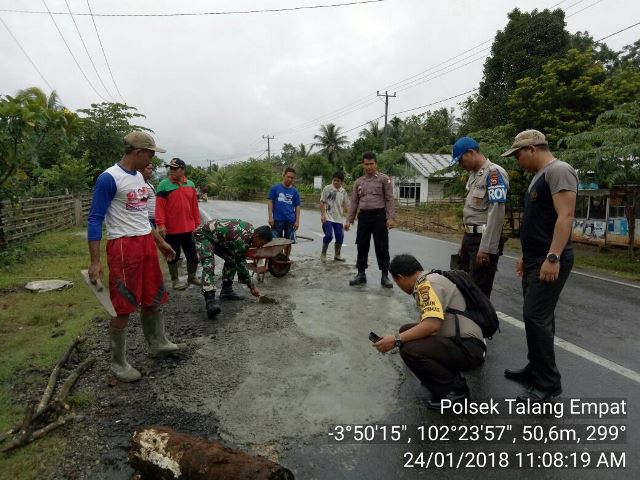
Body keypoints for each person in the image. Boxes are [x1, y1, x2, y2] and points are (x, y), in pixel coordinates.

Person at [87, 131, 183, 383]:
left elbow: (141, 216)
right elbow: (95, 219)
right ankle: (118, 363)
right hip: (123, 247)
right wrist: (95, 261)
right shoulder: (109, 178)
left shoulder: (139, 176)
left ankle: (157, 342)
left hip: (145, 243)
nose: (153, 159)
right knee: (123, 305)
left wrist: (161, 243)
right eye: (150, 153)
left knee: (153, 295)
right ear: (138, 152)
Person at [501, 130, 579, 403]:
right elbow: (539, 220)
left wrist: (553, 257)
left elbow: (565, 217)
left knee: (535, 317)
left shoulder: (560, 170)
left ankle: (548, 383)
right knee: (537, 318)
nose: (517, 161)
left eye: (518, 154)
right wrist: (527, 254)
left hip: (550, 258)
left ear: (532, 149)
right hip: (535, 257)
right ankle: (536, 368)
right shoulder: (540, 175)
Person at [373, 254, 486, 409]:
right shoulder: (431, 278)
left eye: (396, 282)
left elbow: (432, 325)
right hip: (464, 342)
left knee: (409, 349)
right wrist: (400, 336)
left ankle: (455, 391)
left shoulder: (426, 286)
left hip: (468, 348)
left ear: (400, 277)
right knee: (406, 331)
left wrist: (396, 340)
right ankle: (438, 377)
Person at [451, 136, 509, 298]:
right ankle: (468, 321)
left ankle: (483, 323)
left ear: (470, 153)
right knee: (464, 285)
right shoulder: (474, 175)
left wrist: (486, 248)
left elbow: (496, 212)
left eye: (461, 160)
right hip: (470, 236)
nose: (460, 165)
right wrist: (464, 243)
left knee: (478, 292)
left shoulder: (494, 173)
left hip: (483, 239)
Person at [194, 219, 273, 318]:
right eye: (262, 243)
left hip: (217, 239)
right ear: (257, 236)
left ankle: (226, 291)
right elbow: (241, 265)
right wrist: (252, 287)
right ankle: (210, 301)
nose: (261, 246)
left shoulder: (251, 232)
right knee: (208, 264)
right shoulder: (241, 239)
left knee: (231, 259)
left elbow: (238, 258)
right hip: (203, 235)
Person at [345, 152, 397, 288]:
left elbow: (389, 199)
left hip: (379, 217)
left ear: (376, 164)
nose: (368, 167)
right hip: (363, 217)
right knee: (362, 245)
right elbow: (354, 202)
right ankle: (361, 274)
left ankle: (385, 275)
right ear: (363, 165)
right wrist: (349, 220)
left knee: (382, 246)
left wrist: (391, 218)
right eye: (366, 164)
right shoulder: (358, 182)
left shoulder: (384, 179)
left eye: (371, 164)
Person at [155, 158, 201, 290]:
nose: (171, 171)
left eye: (175, 168)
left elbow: (194, 206)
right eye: (170, 168)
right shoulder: (163, 185)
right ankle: (175, 280)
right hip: (171, 230)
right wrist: (161, 225)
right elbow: (159, 207)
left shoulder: (191, 184)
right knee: (173, 255)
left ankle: (192, 277)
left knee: (192, 253)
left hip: (189, 228)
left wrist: (197, 223)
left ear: (183, 170)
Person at [320, 171, 350, 262]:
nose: (336, 182)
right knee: (329, 236)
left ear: (341, 182)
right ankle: (323, 253)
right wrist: (323, 215)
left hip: (338, 219)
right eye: (334, 180)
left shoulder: (343, 192)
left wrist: (348, 220)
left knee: (340, 237)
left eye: (338, 181)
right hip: (328, 217)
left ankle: (337, 255)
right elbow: (322, 201)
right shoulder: (327, 188)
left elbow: (347, 206)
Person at [268, 167, 300, 242]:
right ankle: (280, 254)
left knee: (288, 242)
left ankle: (286, 254)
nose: (290, 179)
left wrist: (297, 221)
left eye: (292, 178)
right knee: (276, 242)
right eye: (288, 177)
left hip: (290, 221)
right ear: (284, 175)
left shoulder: (295, 191)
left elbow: (297, 206)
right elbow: (270, 203)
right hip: (277, 220)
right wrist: (270, 217)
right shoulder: (275, 188)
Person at [139, 163, 157, 228]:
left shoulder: (149, 184)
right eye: (148, 168)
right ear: (141, 170)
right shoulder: (140, 185)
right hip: (147, 219)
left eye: (152, 168)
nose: (151, 171)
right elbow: (140, 203)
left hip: (155, 218)